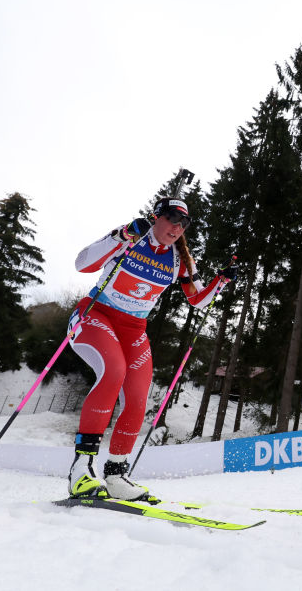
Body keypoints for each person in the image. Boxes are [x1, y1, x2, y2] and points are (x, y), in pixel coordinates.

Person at [66, 197, 237, 501]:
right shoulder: (132, 236)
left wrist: (221, 281)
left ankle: (116, 475)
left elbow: (198, 299)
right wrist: (122, 236)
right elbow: (82, 264)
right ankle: (81, 470)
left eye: (183, 223)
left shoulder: (179, 259)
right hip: (95, 315)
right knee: (113, 371)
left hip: (134, 330)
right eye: (171, 218)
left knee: (137, 397)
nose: (176, 227)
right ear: (156, 216)